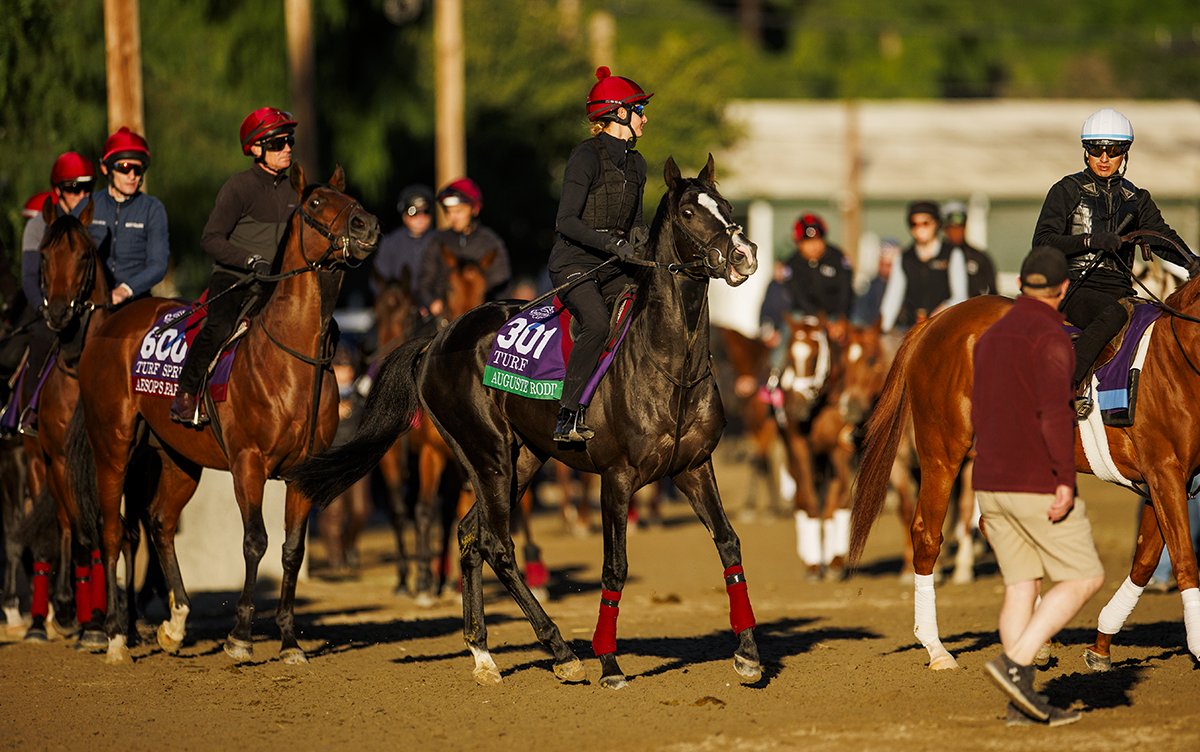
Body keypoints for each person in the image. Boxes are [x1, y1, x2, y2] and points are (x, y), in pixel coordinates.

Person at [973, 246, 1105, 726]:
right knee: (1084, 576)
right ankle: (1015, 664)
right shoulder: (1052, 337)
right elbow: (1054, 414)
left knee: (1021, 587)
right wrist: (1065, 481)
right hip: (1032, 480)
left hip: (989, 482)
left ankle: (1020, 703)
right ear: (1063, 289)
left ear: (1021, 285)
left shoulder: (990, 337)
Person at [1032, 107, 1194, 416]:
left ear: (1125, 152)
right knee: (1113, 313)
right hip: (1072, 289)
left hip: (1120, 291)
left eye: (1114, 150)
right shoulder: (1065, 190)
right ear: (1086, 151)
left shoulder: (1138, 199)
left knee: (1160, 322)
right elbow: (1042, 242)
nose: (1104, 158)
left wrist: (1192, 262)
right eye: (1096, 149)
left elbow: (1161, 237)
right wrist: (1090, 241)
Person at [169, 107, 299, 424]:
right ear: (255, 149)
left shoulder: (294, 188)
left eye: (290, 140)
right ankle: (186, 394)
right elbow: (210, 239)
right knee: (220, 326)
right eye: (278, 143)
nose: (287, 148)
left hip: (274, 282)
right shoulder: (238, 187)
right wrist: (249, 260)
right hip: (233, 279)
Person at [547, 65, 651, 442]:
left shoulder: (638, 164)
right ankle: (567, 415)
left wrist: (641, 243)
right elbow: (566, 221)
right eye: (640, 110)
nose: (645, 118)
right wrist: (611, 244)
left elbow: (636, 222)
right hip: (573, 264)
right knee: (596, 323)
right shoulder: (585, 157)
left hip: (614, 267)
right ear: (619, 113)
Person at [1, 153, 96, 435]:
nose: (81, 195)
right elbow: (30, 277)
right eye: (73, 188)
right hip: (44, 304)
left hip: (83, 305)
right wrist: (43, 307)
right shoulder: (37, 226)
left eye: (87, 188)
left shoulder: (92, 222)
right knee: (12, 353)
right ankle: (24, 411)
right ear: (57, 190)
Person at [88, 127, 170, 308]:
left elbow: (158, 264)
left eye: (138, 169)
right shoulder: (88, 205)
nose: (132, 176)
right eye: (124, 168)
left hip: (135, 301)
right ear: (105, 169)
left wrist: (125, 290)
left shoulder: (153, 209)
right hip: (92, 301)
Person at [416, 177, 511, 319]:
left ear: (474, 209)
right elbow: (425, 281)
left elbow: (501, 286)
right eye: (448, 211)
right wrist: (431, 302)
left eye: (459, 211)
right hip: (443, 318)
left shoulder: (491, 243)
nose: (452, 217)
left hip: (481, 317)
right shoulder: (438, 241)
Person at [879, 200, 968, 334]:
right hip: (912, 330)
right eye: (914, 224)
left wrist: (940, 312)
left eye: (925, 223)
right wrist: (882, 330)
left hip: (945, 329)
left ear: (936, 224)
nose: (920, 229)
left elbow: (960, 296)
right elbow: (892, 299)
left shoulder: (952, 254)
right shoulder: (904, 258)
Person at [373, 184, 434, 301]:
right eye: (413, 212)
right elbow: (378, 280)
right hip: (400, 302)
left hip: (433, 304)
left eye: (425, 211)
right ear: (404, 215)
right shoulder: (391, 242)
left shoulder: (439, 240)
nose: (420, 217)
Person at [941, 201, 996, 297]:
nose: (956, 232)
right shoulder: (937, 256)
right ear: (945, 229)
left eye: (960, 228)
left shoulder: (979, 258)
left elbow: (992, 292)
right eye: (952, 228)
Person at [851, 237, 899, 326]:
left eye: (888, 265)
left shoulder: (901, 287)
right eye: (882, 264)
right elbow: (859, 315)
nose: (884, 269)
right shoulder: (869, 286)